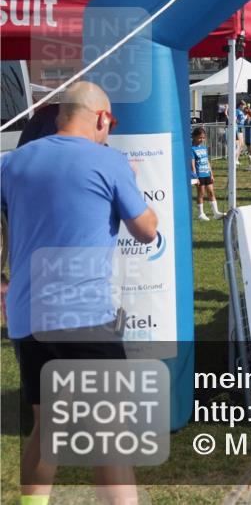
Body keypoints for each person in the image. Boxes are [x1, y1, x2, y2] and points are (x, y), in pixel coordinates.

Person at [1, 81, 158, 505]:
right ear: (102, 118)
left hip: (28, 315)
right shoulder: (109, 162)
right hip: (85, 316)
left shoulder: (12, 163)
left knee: (48, 425)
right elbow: (146, 231)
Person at [191, 127, 223, 220]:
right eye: (200, 137)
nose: (202, 140)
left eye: (203, 138)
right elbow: (192, 165)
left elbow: (207, 161)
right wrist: (195, 177)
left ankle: (216, 213)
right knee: (201, 193)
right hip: (199, 175)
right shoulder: (191, 149)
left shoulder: (204, 148)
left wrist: (211, 173)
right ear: (194, 137)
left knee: (211, 192)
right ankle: (201, 214)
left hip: (207, 174)